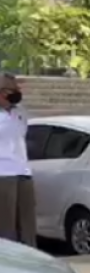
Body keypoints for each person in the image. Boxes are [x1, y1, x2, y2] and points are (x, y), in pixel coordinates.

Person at [0, 73, 34, 246]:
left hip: (23, 171)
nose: (16, 93)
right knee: (6, 226)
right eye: (12, 90)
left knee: (27, 224)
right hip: (3, 174)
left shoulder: (20, 112)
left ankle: (31, 258)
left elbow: (21, 136)